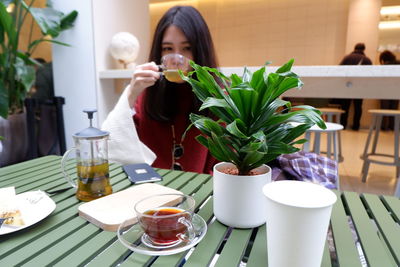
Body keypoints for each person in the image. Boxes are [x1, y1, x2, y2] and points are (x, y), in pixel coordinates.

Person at [102, 6, 219, 174]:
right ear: (159, 52)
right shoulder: (148, 94)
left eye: (187, 48)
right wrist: (131, 94)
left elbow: (227, 167)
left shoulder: (218, 98)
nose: (176, 59)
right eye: (168, 49)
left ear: (201, 50)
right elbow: (112, 145)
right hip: (152, 191)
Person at [338, 43, 372, 130]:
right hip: (360, 87)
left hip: (347, 85)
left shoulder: (347, 58)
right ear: (363, 49)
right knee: (358, 107)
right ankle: (356, 126)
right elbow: (371, 74)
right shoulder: (367, 60)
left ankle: (343, 125)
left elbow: (339, 70)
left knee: (345, 106)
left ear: (354, 48)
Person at [379, 50, 400, 130]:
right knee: (394, 109)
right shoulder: (399, 63)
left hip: (385, 89)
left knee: (384, 109)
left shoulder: (385, 66)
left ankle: (384, 126)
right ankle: (393, 126)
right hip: (397, 89)